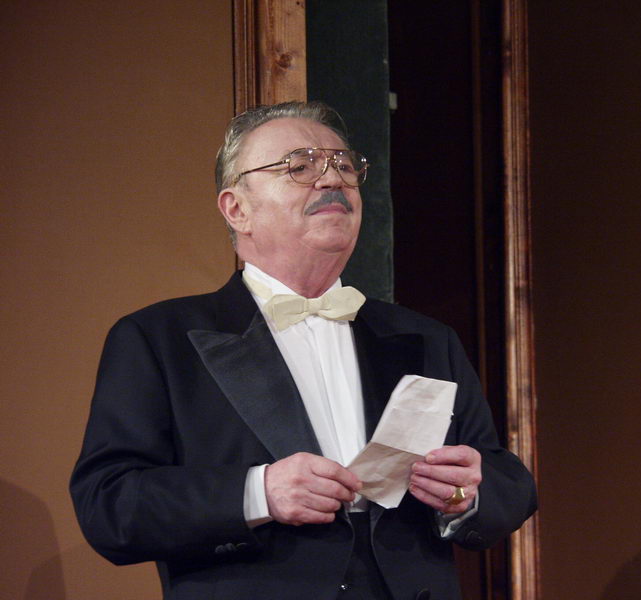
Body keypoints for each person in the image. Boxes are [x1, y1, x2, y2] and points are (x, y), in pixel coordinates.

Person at [70, 101, 537, 600]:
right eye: (300, 166)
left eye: (344, 165)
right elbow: (108, 505)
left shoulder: (426, 337)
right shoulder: (158, 338)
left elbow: (506, 482)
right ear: (237, 209)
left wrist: (465, 494)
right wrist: (258, 492)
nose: (332, 179)